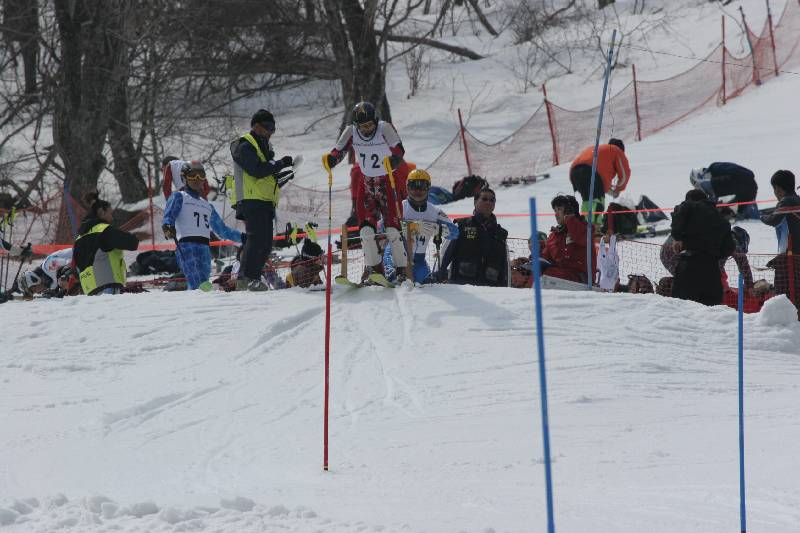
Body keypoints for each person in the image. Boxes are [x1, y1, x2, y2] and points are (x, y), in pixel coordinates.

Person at [325, 101, 411, 283]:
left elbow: (399, 148)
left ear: (375, 121)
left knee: (392, 229)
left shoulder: (384, 128)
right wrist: (331, 160)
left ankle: (401, 271)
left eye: (370, 125)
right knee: (365, 230)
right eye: (363, 126)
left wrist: (394, 159)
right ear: (356, 125)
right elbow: (338, 151)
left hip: (386, 183)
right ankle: (375, 270)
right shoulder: (351, 131)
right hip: (366, 185)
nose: (367, 129)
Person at [230, 109, 296, 291]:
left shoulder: (263, 147)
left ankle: (252, 278)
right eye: (268, 127)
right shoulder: (245, 145)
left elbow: (266, 175)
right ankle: (246, 278)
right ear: (257, 126)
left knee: (266, 243)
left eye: (273, 128)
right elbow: (257, 170)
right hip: (251, 199)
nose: (270, 132)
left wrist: (285, 173)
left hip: (264, 200)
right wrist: (279, 164)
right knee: (256, 239)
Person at [162, 161, 243, 291]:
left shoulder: (207, 205)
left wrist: (244, 237)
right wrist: (167, 226)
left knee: (204, 285)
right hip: (187, 246)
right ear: (184, 178)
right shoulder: (179, 197)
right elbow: (169, 215)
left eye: (201, 175)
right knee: (196, 284)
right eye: (192, 175)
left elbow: (222, 230)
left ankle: (198, 303)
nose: (197, 179)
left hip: (205, 248)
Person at [383, 169, 459, 284]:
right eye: (414, 186)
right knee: (394, 281)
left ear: (428, 188)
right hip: (396, 255)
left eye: (422, 186)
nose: (418, 191)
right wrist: (411, 226)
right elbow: (382, 227)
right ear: (407, 187)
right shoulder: (400, 207)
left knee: (427, 284)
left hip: (419, 260)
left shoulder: (434, 211)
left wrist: (437, 229)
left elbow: (455, 233)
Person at [670, 189, 736, 306]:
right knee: (710, 310)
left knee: (682, 307)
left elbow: (681, 210)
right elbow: (729, 248)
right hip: (711, 269)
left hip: (688, 266)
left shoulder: (690, 206)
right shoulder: (722, 220)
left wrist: (677, 237)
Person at [436, 187, 508, 287]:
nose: (488, 202)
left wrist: (505, 290)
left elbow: (505, 269)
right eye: (484, 199)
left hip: (490, 291)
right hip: (462, 288)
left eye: (492, 200)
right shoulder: (461, 226)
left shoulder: (500, 233)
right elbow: (444, 256)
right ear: (475, 202)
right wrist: (436, 279)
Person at [73, 192, 139, 295]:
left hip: (89, 290)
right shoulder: (104, 231)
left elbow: (75, 266)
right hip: (107, 286)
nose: (112, 218)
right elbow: (132, 243)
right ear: (101, 212)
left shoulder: (78, 238)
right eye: (110, 213)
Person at [760, 169, 800, 305]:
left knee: (784, 291)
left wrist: (762, 216)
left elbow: (774, 220)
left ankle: (787, 315)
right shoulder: (797, 200)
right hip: (797, 253)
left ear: (777, 188)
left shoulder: (786, 201)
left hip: (789, 254)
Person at [539, 194, 596, 284]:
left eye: (559, 209)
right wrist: (532, 261)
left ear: (569, 210)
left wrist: (569, 218)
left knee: (547, 274)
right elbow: (545, 257)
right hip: (560, 275)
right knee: (527, 272)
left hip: (580, 277)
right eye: (555, 210)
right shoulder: (554, 235)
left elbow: (580, 237)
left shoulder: (585, 229)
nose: (556, 214)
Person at [569, 138, 631, 221]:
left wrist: (610, 190)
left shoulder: (600, 150)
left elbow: (601, 182)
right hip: (590, 171)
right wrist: (618, 189)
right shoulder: (617, 150)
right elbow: (624, 174)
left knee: (587, 200)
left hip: (574, 172)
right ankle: (595, 225)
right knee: (598, 200)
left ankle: (585, 224)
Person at [689, 162, 759, 219]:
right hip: (751, 185)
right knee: (744, 212)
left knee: (705, 186)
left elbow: (712, 190)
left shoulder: (713, 168)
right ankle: (747, 212)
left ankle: (709, 212)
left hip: (744, 182)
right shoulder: (718, 170)